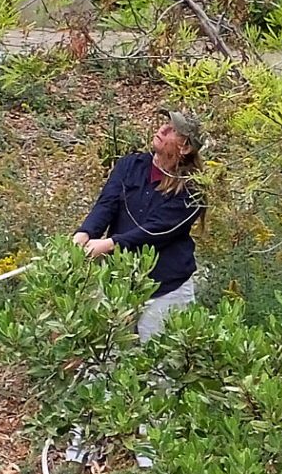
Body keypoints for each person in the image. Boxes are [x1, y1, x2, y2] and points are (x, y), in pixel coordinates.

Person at [75, 110, 207, 341]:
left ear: (186, 147)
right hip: (120, 284)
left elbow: (157, 230)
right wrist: (84, 234)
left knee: (160, 359)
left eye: (173, 130)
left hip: (166, 289)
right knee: (110, 354)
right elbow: (106, 204)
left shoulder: (193, 190)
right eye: (165, 124)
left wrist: (109, 244)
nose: (162, 129)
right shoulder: (129, 165)